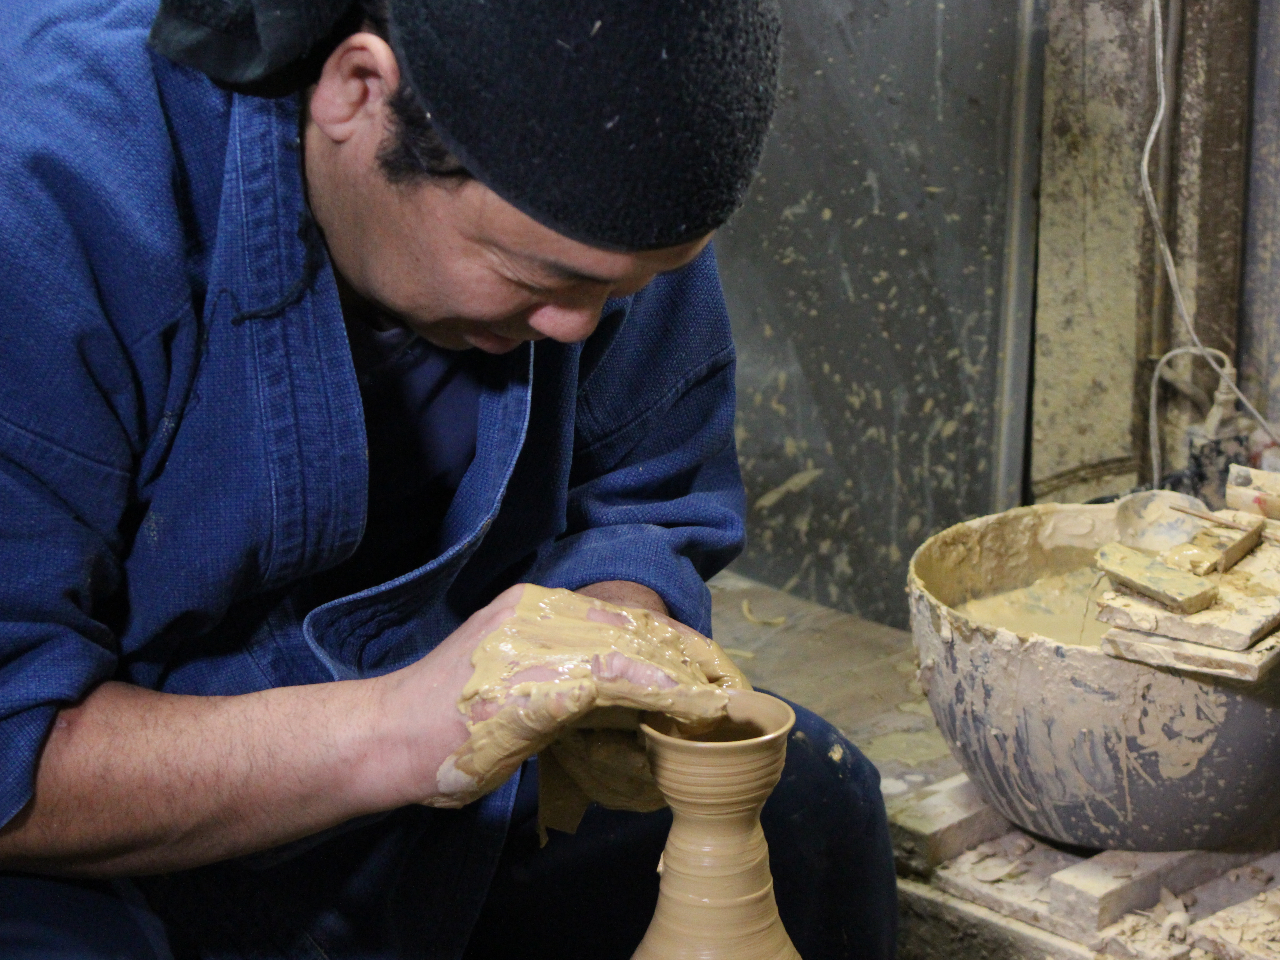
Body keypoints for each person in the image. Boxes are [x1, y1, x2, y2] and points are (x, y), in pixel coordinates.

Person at [0, 0, 898, 957]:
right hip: (102, 821)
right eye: (537, 276)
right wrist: (400, 732)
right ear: (358, 92)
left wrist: (608, 635)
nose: (577, 328)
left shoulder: (602, 195)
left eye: (621, 290)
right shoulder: (51, 202)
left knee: (808, 808)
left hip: (427, 766)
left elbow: (642, 489)